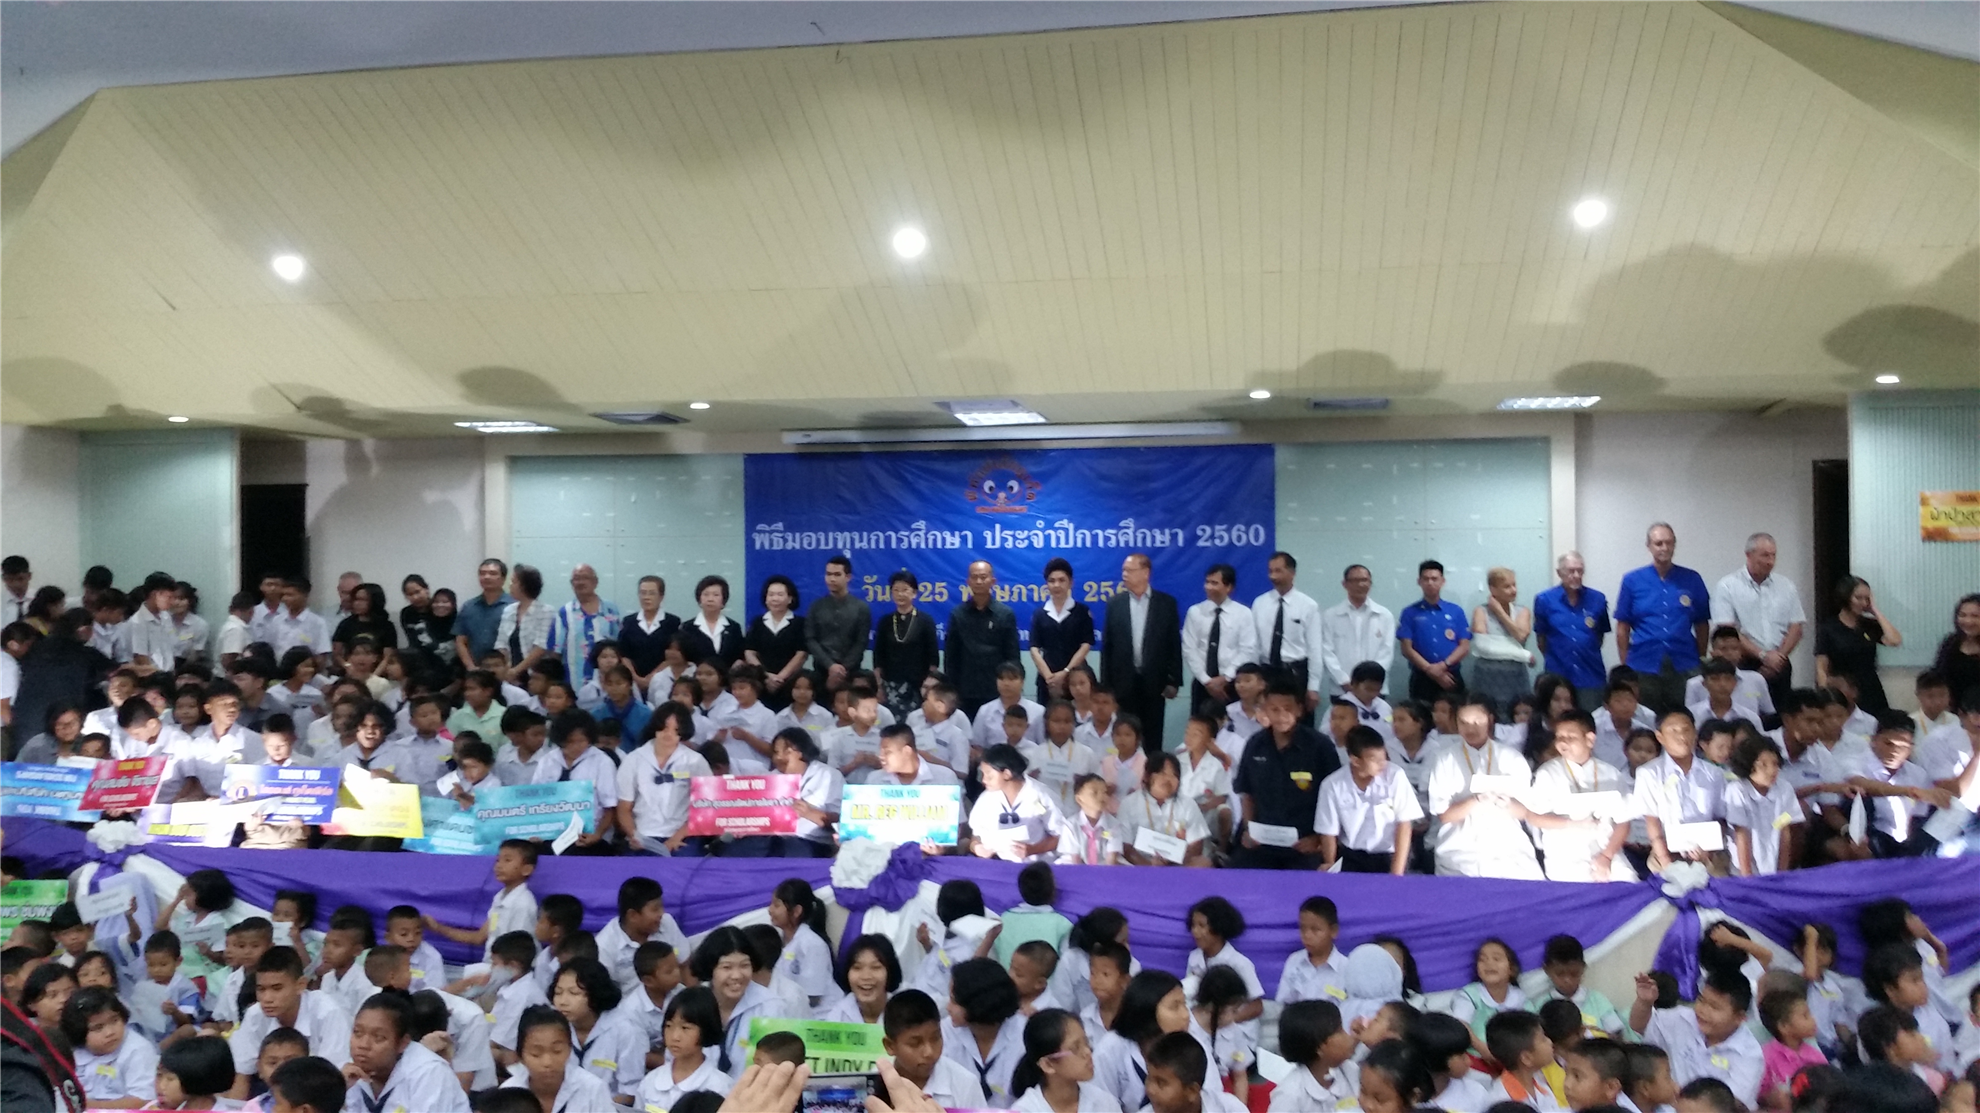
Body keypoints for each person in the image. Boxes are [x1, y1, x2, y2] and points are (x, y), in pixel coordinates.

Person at [1426, 696, 1543, 878]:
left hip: (1507, 847)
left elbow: (1525, 812)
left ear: (1490, 719)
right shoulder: (1445, 759)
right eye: (1463, 722)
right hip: (1459, 849)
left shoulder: (1511, 757)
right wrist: (1475, 800)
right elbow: (1444, 814)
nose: (1471, 728)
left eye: (1477, 721)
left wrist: (1507, 802)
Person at [1228, 677, 1338, 870]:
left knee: (1308, 879)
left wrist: (1318, 838)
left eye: (1288, 709)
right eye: (1274, 709)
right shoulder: (1255, 744)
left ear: (1299, 710)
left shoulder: (1320, 746)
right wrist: (1249, 829)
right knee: (1237, 875)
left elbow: (1334, 799)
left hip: (1304, 842)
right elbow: (1247, 793)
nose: (1281, 716)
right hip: (1261, 841)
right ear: (1265, 710)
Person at [1628, 967, 1762, 1108]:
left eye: (1714, 1007)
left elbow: (1729, 1106)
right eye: (1701, 1000)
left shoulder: (1749, 1054)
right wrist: (1644, 1003)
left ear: (1740, 1017)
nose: (1703, 1010)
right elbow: (1640, 1026)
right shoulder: (1681, 1018)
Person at [1615, 523, 1712, 715]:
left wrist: (1700, 657)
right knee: (1645, 718)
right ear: (1649, 546)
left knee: (1685, 717)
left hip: (1684, 662)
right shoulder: (1632, 580)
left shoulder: (1692, 579)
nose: (1664, 548)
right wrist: (1626, 664)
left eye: (1669, 543)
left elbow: (1702, 624)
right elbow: (1622, 627)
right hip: (1643, 663)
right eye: (1658, 543)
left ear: (1675, 545)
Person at [1711, 533, 1805, 717]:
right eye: (1765, 555)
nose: (1770, 561)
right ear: (1749, 555)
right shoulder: (1728, 586)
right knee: (1746, 715)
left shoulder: (1786, 586)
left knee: (1780, 716)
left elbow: (1796, 627)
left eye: (1773, 555)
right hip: (1744, 664)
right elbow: (1728, 630)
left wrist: (1777, 658)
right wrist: (1763, 656)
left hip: (1780, 663)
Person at [1100, 553, 1182, 756]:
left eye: (1129, 570)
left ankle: (1152, 771)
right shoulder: (1115, 604)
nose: (1124, 575)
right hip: (1122, 684)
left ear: (1145, 573)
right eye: (1123, 571)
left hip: (1155, 683)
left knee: (1152, 738)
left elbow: (1173, 644)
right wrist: (1106, 687)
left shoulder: (1166, 604)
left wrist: (1174, 680)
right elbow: (1107, 648)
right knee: (1124, 735)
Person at [1314, 724, 1423, 874]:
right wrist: (1330, 863)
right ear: (1355, 760)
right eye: (1374, 759)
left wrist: (1396, 873)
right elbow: (1328, 830)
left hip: (1390, 854)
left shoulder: (1395, 775)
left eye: (1384, 757)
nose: (1382, 764)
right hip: (1352, 855)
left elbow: (1404, 824)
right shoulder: (1332, 784)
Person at [1816, 575, 1903, 718]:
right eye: (1858, 598)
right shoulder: (1829, 629)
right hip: (1844, 690)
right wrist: (1826, 697)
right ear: (1846, 597)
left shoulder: (1868, 625)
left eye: (1867, 598)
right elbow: (1821, 669)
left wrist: (1875, 610)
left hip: (1871, 689)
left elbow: (1895, 640)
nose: (1863, 603)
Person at [947, 561, 1021, 721]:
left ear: (993, 581)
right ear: (968, 582)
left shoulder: (1005, 614)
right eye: (974, 577)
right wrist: (951, 690)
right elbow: (951, 657)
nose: (979, 581)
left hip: (996, 691)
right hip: (965, 691)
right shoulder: (957, 614)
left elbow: (1012, 656)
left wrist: (1012, 686)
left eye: (983, 577)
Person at [1252, 552, 1323, 716]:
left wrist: (1313, 687)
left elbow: (1314, 648)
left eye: (1278, 571)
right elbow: (1254, 645)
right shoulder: (1260, 603)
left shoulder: (1308, 605)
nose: (1273, 576)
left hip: (1295, 673)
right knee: (1268, 720)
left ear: (1292, 573)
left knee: (1297, 721)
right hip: (1267, 672)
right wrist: (1255, 679)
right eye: (1270, 571)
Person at [1183, 564, 1256, 721]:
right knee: (1201, 726)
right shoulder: (1195, 612)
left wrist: (1225, 678)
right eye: (1207, 582)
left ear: (1228, 587)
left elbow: (1247, 650)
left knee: (1233, 726)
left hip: (1232, 684)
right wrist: (1207, 681)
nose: (1208, 587)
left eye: (1214, 583)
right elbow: (1189, 649)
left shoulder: (1243, 614)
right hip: (1203, 684)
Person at [969, 743, 1064, 862]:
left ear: (1007, 774)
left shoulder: (1040, 795)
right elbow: (976, 834)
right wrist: (976, 847)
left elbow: (1060, 836)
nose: (983, 780)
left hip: (1038, 865)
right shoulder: (986, 798)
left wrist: (1032, 849)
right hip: (1000, 864)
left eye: (989, 776)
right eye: (982, 774)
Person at [1318, 563, 1397, 701]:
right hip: (1341, 689)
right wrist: (1344, 681)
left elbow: (1386, 653)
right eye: (1355, 580)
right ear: (1344, 584)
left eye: (1364, 580)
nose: (1360, 584)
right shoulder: (1331, 615)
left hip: (1375, 689)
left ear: (1370, 583)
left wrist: (1369, 682)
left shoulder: (1385, 615)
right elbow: (1327, 652)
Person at [1398, 560, 1470, 702]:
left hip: (1451, 676)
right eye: (1426, 579)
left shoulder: (1456, 611)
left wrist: (1443, 666)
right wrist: (1430, 670)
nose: (1430, 583)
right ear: (1419, 582)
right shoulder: (1409, 612)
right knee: (1420, 715)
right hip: (1421, 677)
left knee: (1454, 714)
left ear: (1443, 581)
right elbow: (1406, 649)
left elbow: (1464, 646)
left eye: (1434, 579)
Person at [871, 571, 940, 718]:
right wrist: (878, 686)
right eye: (896, 590)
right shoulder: (885, 621)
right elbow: (878, 656)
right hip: (891, 686)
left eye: (904, 590)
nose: (900, 594)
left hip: (918, 685)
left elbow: (933, 658)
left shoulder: (925, 621)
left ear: (914, 593)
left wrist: (928, 685)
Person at [543, 564, 622, 691]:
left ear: (595, 582)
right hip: (574, 685)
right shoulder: (564, 612)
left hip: (609, 684)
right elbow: (555, 652)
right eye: (576, 579)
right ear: (571, 583)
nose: (580, 582)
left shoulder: (611, 610)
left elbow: (619, 646)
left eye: (585, 578)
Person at [1469, 567, 1536, 715]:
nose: (1514, 590)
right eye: (1507, 586)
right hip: (1486, 678)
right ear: (1493, 589)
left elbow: (1520, 636)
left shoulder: (1522, 611)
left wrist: (1499, 611)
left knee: (1518, 719)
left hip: (1515, 678)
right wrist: (1524, 655)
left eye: (1514, 585)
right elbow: (1482, 647)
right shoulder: (1481, 611)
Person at [1029, 558, 1095, 706]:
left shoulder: (1082, 611)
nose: (1056, 585)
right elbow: (1034, 648)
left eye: (1061, 580)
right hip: (1048, 680)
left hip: (1077, 678)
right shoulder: (1040, 614)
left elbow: (1085, 645)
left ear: (1071, 583)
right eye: (1052, 581)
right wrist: (1048, 677)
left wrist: (1066, 672)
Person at [743, 575, 808, 713]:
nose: (775, 599)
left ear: (790, 599)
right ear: (765, 598)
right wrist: (766, 676)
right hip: (762, 682)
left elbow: (801, 654)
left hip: (790, 682)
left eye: (780, 594)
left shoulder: (800, 623)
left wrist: (780, 678)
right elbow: (749, 652)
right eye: (771, 594)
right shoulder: (758, 622)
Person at [803, 555, 868, 693]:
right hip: (821, 672)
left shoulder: (861, 608)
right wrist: (830, 665)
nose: (832, 579)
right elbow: (810, 639)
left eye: (837, 574)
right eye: (828, 574)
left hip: (850, 674)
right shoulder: (816, 606)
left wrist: (842, 669)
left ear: (848, 577)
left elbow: (861, 642)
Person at [495, 564, 552, 685]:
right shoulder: (509, 610)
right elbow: (501, 643)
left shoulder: (546, 611)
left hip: (535, 674)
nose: (510, 585)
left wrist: (516, 670)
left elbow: (541, 647)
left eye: (513, 582)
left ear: (525, 585)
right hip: (509, 675)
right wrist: (507, 669)